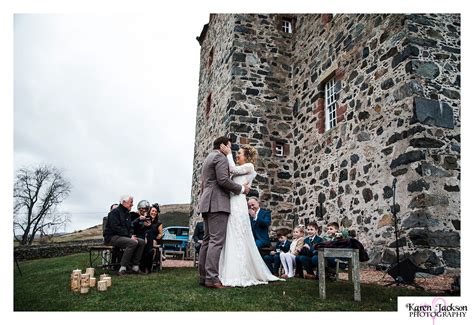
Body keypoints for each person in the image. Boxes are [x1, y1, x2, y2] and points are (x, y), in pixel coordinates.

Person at [218, 143, 282, 287]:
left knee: (238, 234)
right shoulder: (240, 170)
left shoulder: (249, 167)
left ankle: (240, 272)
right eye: (236, 153)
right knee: (232, 234)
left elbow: (232, 168)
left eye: (239, 153)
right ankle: (228, 270)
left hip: (238, 204)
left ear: (246, 156)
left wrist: (228, 153)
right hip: (232, 202)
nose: (236, 155)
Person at [197, 136, 250, 289]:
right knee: (216, 241)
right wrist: (241, 189)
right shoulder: (220, 158)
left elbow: (204, 183)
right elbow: (223, 180)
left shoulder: (209, 158)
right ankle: (212, 279)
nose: (230, 149)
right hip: (218, 203)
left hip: (207, 202)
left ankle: (203, 276)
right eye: (229, 146)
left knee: (207, 241)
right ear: (222, 146)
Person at [103, 195, 146, 276]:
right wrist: (130, 237)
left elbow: (130, 227)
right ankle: (122, 269)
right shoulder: (114, 213)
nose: (132, 205)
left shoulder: (127, 214)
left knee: (141, 242)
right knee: (132, 243)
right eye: (131, 202)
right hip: (111, 237)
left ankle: (135, 267)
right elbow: (115, 228)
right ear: (124, 202)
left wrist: (131, 235)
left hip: (122, 236)